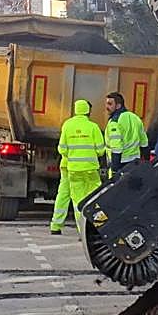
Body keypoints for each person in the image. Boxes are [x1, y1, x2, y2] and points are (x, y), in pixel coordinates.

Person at [55, 99, 106, 239]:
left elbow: (62, 149)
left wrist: (72, 155)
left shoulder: (67, 125)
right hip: (91, 170)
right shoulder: (93, 127)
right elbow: (101, 150)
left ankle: (82, 231)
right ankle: (97, 229)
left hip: (73, 170)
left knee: (78, 201)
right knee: (94, 199)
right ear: (88, 111)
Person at [104, 91, 148, 178]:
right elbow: (144, 142)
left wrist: (114, 171)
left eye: (110, 104)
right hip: (135, 162)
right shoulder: (135, 118)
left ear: (118, 106)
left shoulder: (115, 122)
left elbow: (117, 148)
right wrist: (146, 163)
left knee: (117, 190)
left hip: (120, 163)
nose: (107, 107)